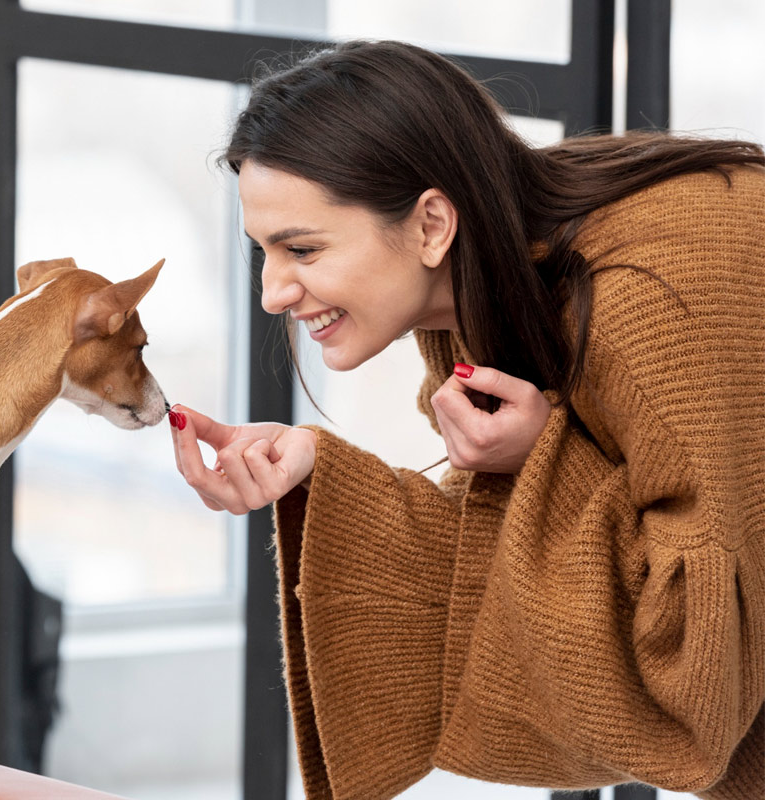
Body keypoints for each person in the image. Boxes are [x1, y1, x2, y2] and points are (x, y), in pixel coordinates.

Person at [167, 40, 765, 799]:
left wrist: (544, 454)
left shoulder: (637, 308)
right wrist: (313, 463)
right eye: (264, 253)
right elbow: (509, 534)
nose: (274, 293)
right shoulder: (480, 291)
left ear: (430, 225)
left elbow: (697, 669)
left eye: (304, 249)